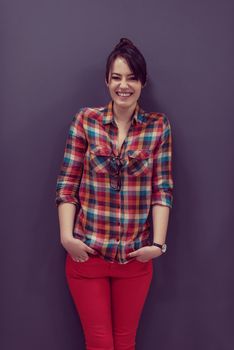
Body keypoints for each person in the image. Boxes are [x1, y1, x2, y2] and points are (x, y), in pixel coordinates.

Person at [55, 37, 174, 350]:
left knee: (125, 343)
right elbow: (67, 182)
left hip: (134, 258)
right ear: (107, 81)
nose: (124, 85)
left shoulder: (158, 126)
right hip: (87, 255)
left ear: (143, 82)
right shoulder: (85, 121)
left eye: (132, 78)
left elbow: (162, 188)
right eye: (117, 77)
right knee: (99, 343)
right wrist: (67, 238)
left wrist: (158, 245)